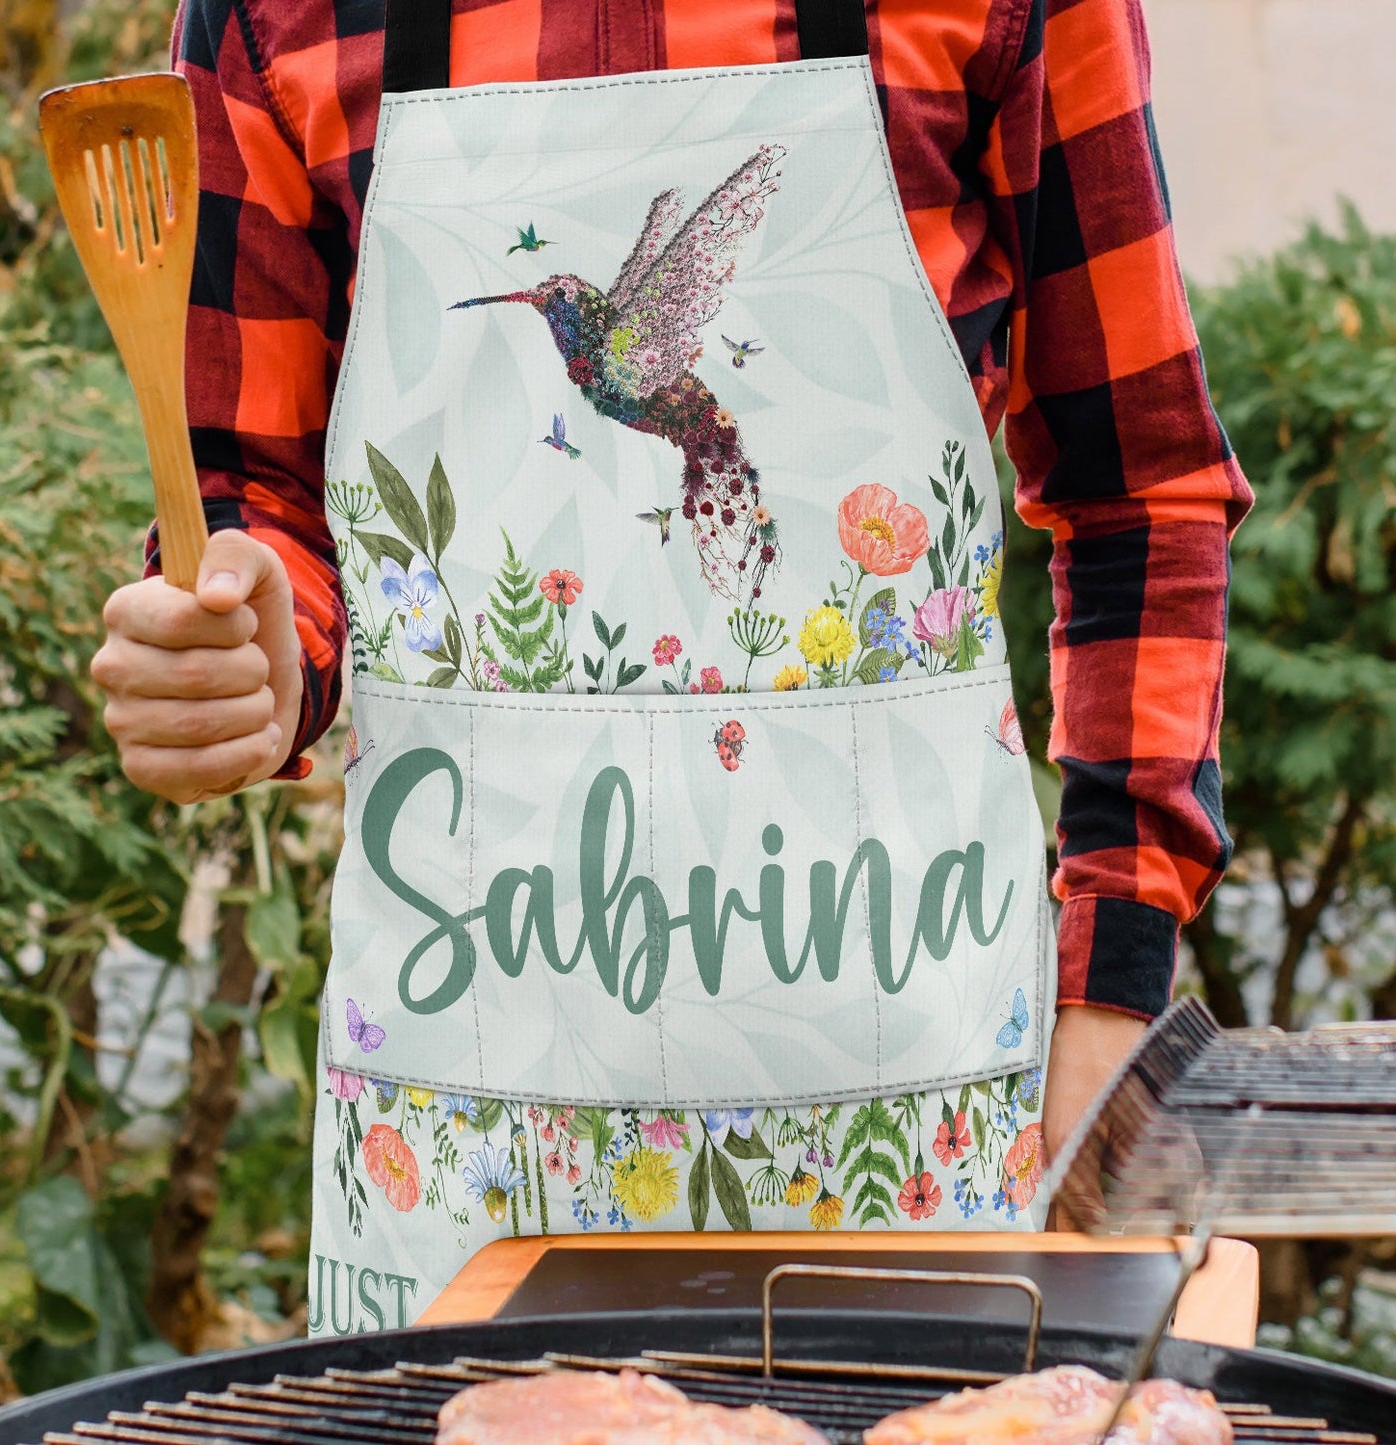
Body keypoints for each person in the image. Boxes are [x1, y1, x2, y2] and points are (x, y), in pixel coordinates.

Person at [92, 0, 1252, 1335]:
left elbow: (1137, 493)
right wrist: (243, 658)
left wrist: (1108, 1000)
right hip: (461, 1162)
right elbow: (260, 508)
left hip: (908, 1143)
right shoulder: (267, 17)